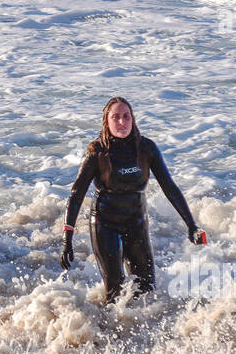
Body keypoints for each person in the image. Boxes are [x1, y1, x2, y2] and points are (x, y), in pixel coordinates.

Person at [60, 96, 205, 303]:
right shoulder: (97, 152)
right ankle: (109, 330)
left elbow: (169, 187)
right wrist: (67, 238)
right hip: (105, 225)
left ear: (133, 119)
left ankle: (142, 333)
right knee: (115, 292)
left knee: (147, 290)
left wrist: (192, 225)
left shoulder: (146, 149)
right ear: (106, 121)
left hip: (136, 223)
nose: (121, 122)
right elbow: (76, 194)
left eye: (126, 116)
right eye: (116, 117)